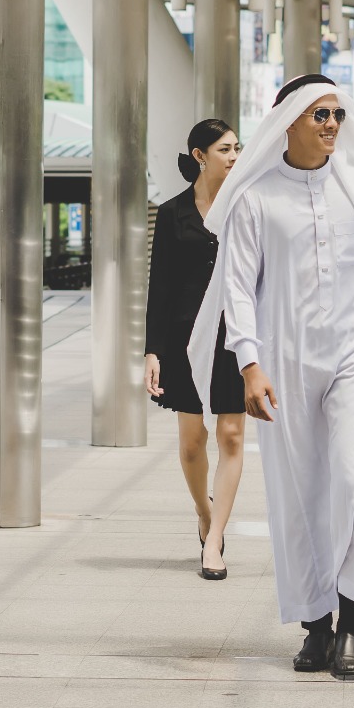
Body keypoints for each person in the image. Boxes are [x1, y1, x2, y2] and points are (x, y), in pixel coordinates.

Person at [189, 74, 354, 680]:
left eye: (338, 113)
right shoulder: (255, 197)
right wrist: (249, 365)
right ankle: (315, 624)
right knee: (300, 492)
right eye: (319, 115)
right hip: (283, 359)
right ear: (288, 121)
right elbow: (238, 289)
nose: (333, 123)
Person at [144, 119, 246, 581]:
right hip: (185, 341)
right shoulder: (172, 214)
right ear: (200, 155)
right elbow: (160, 287)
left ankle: (217, 537)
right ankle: (203, 515)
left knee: (230, 436)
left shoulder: (247, 207)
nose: (234, 156)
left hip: (235, 335)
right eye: (225, 148)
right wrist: (153, 351)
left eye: (237, 148)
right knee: (191, 445)